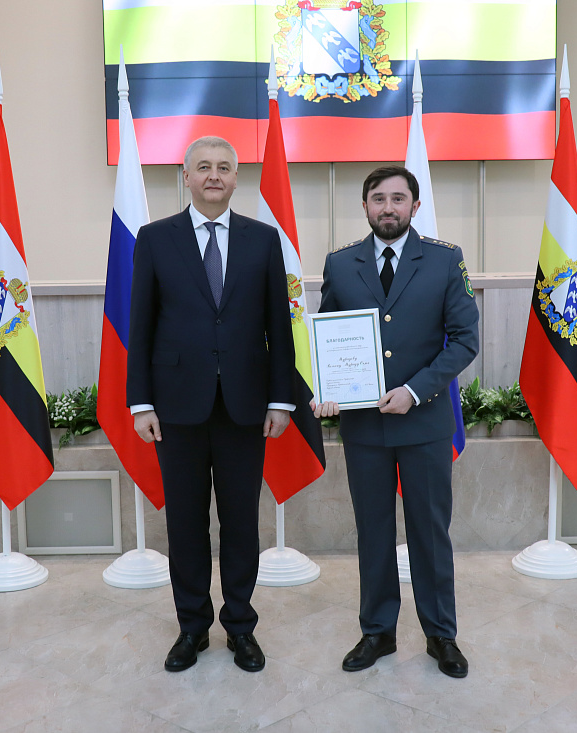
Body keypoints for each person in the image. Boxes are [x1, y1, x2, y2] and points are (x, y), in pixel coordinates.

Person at [127, 136, 295, 673]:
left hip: (246, 406)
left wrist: (281, 399)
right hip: (176, 407)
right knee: (186, 525)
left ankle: (241, 626)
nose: (214, 175)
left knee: (241, 522)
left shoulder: (263, 239)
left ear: (236, 178)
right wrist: (140, 403)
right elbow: (140, 324)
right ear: (187, 176)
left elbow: (279, 324)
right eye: (204, 167)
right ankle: (192, 628)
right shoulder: (155, 239)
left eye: (224, 167)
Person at [313, 165, 480, 678]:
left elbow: (465, 341)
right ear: (365, 206)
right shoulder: (341, 264)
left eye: (398, 198)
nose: (388, 207)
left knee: (429, 532)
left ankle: (441, 634)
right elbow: (330, 336)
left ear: (415, 206)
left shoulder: (445, 259)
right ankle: (378, 632)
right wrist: (328, 389)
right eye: (379, 198)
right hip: (364, 428)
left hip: (424, 422)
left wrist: (414, 391)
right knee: (373, 532)